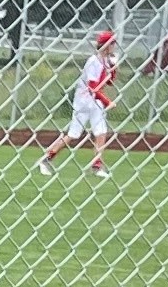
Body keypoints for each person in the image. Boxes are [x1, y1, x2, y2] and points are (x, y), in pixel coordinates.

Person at [41, 25, 119, 175]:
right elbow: (93, 87)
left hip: (95, 101)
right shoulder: (93, 61)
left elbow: (109, 82)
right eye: (112, 43)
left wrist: (114, 68)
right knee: (74, 134)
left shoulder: (104, 61)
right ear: (106, 45)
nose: (114, 46)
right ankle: (47, 158)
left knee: (101, 132)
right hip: (84, 101)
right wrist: (108, 102)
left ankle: (97, 165)